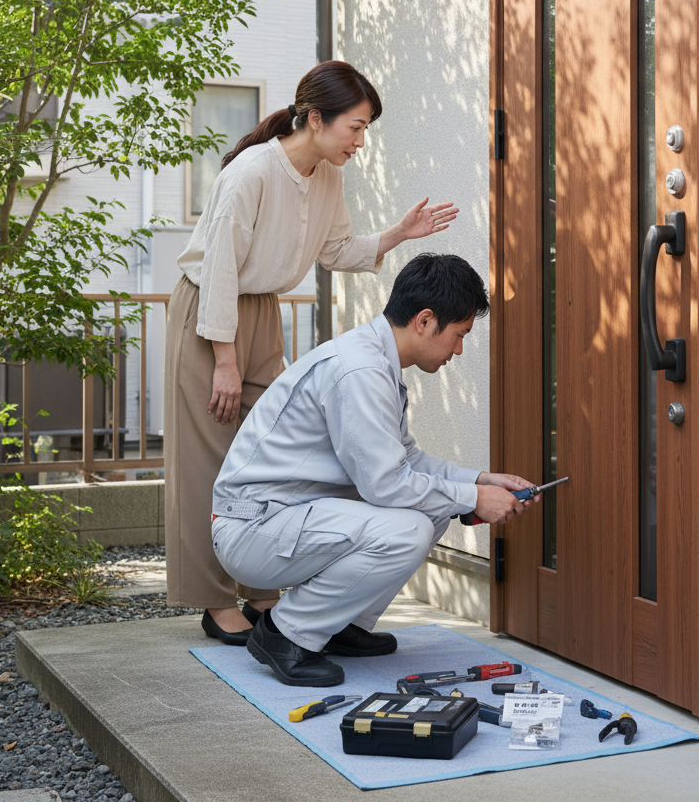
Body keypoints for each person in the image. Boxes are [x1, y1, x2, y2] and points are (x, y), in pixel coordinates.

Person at [164, 60, 459, 643]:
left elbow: (338, 250)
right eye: (355, 127)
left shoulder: (326, 176)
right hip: (210, 313)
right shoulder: (251, 172)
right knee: (207, 459)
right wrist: (224, 358)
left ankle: (263, 592)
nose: (361, 141)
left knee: (266, 452)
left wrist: (400, 233)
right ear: (316, 118)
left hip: (261, 311)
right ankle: (214, 602)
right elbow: (220, 268)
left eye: (367, 128)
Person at [209, 253, 535, 686]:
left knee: (434, 506)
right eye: (459, 335)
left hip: (284, 515)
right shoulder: (360, 370)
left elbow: (403, 459)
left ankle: (343, 624)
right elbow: (386, 484)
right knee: (408, 528)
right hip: (253, 528)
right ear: (423, 320)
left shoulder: (375, 360)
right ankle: (285, 633)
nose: (459, 350)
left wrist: (477, 480)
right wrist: (475, 500)